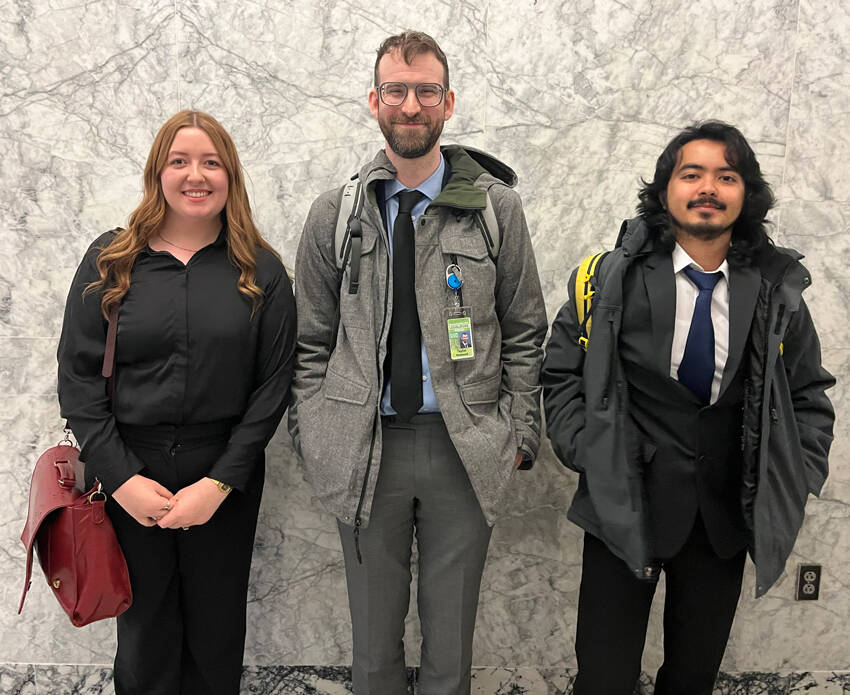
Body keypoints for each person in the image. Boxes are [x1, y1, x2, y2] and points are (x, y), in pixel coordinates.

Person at [288, 30, 546, 695]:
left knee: (450, 641)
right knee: (372, 646)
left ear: (448, 102)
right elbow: (309, 340)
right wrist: (315, 433)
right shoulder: (334, 215)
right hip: (363, 448)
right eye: (396, 90)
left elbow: (523, 328)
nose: (410, 104)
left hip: (463, 447)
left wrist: (519, 430)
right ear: (374, 100)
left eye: (425, 90)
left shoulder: (495, 210)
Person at [542, 120, 835, 694]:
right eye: (692, 173)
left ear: (746, 194)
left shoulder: (776, 290)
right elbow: (561, 373)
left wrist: (794, 473)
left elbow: (808, 392)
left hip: (721, 517)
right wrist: (590, 452)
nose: (708, 187)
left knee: (692, 679)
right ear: (664, 189)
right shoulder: (609, 279)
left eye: (726, 176)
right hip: (621, 505)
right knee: (603, 678)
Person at [57, 110, 296, 695]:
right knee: (145, 638)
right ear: (157, 173)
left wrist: (218, 485)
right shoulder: (111, 261)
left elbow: (273, 388)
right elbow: (78, 381)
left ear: (230, 176)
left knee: (216, 639)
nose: (196, 175)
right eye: (180, 161)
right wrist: (122, 479)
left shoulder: (260, 271)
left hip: (223, 474)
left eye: (211, 162)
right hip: (128, 468)